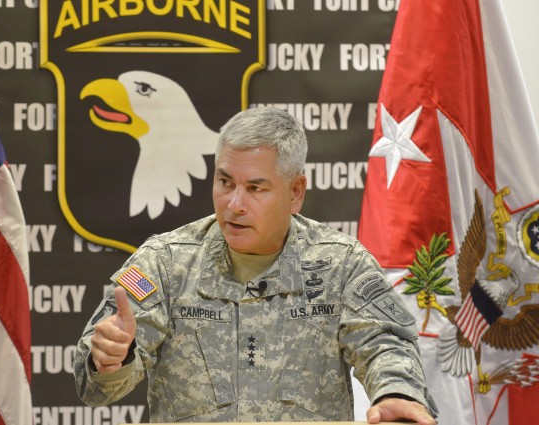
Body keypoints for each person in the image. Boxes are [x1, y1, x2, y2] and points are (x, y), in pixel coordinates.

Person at [74, 107, 438, 424]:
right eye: (225, 182)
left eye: (255, 189)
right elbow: (95, 390)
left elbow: (386, 344)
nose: (234, 204)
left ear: (295, 192)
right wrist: (110, 361)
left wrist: (397, 393)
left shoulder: (339, 264)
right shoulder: (167, 262)